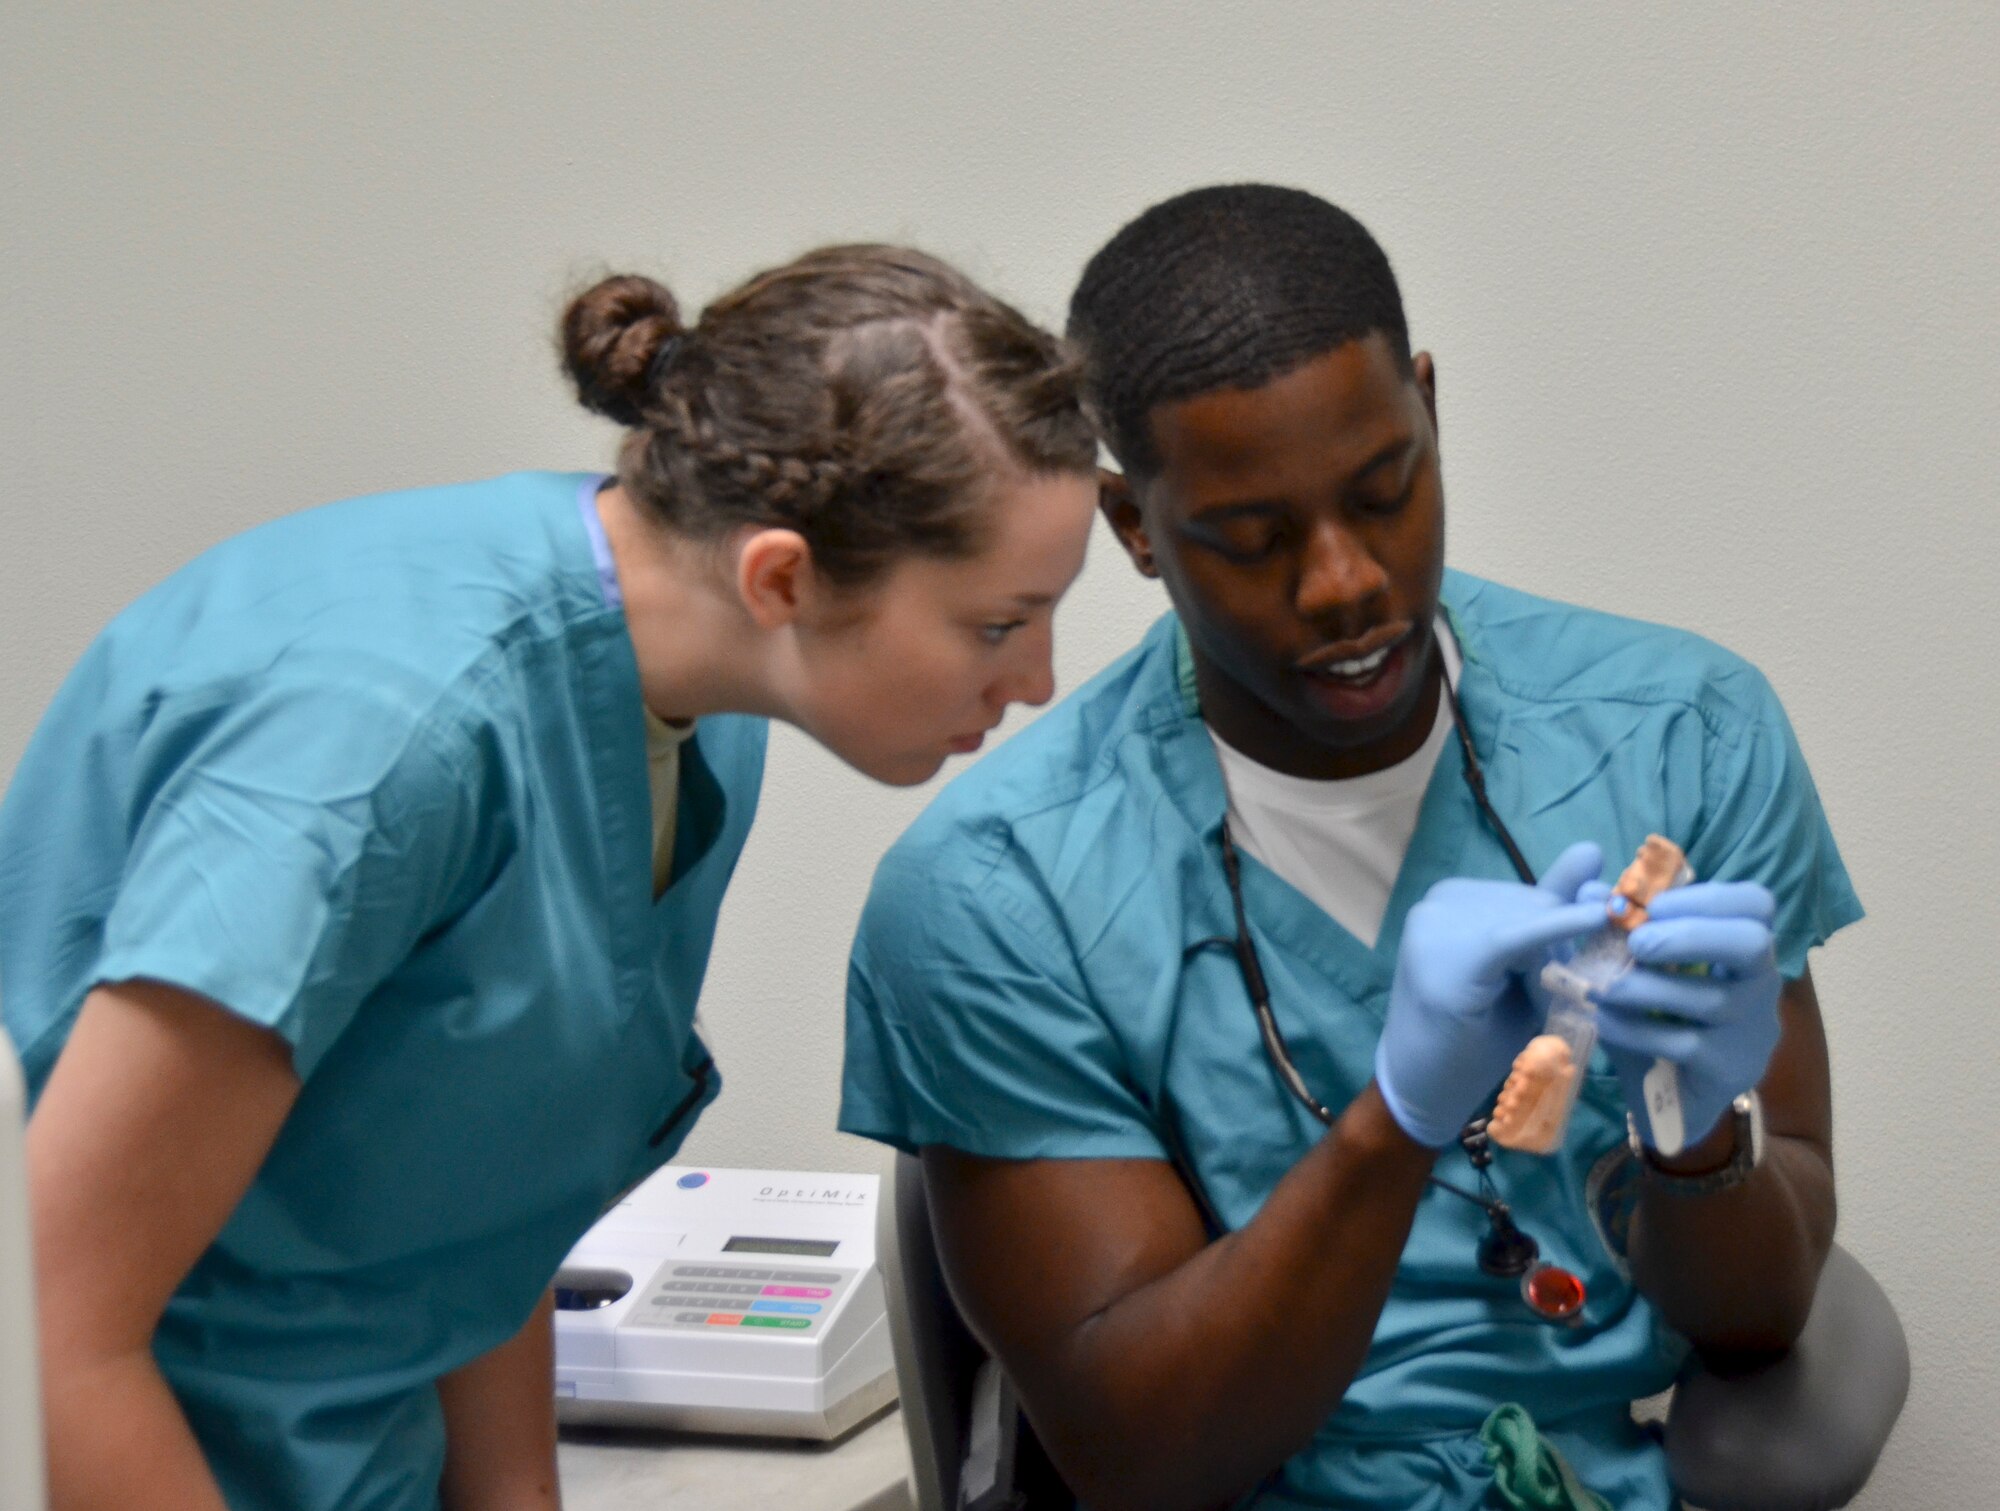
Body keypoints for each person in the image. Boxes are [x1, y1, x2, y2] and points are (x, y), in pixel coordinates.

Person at [0, 244, 1099, 1511]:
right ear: (782, 576)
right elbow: (52, 1329)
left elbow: (481, 1182)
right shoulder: (374, 748)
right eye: (998, 623)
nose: (1035, 682)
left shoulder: (695, 706)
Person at [840, 187, 1860, 1510]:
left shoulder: (1682, 736)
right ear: (1135, 525)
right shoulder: (993, 892)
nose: (1344, 581)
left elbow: (1760, 1318)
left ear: (1429, 408)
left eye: (1386, 492)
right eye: (1250, 538)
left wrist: (1692, 1131)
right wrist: (1401, 1120)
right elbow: (1140, 1454)